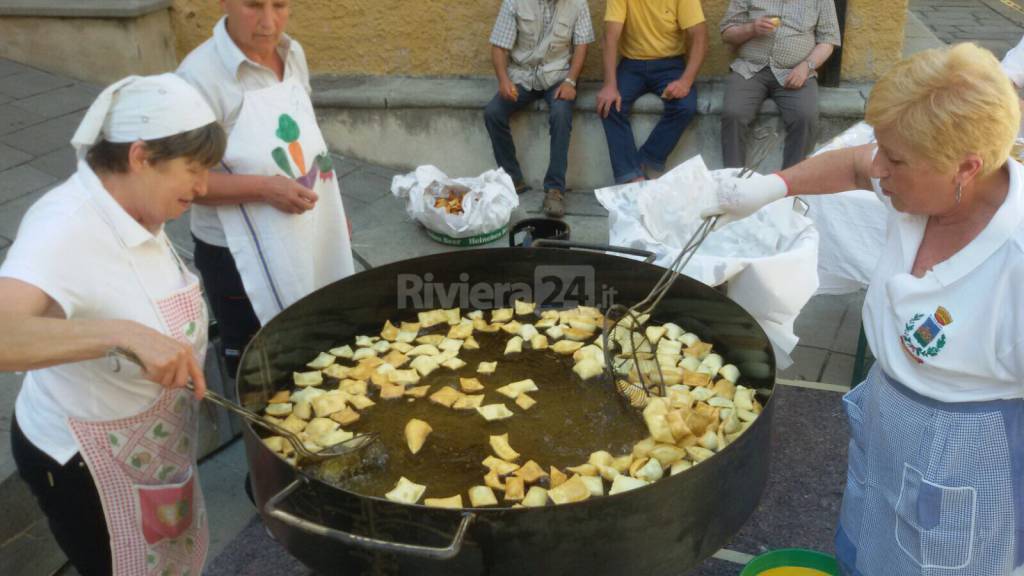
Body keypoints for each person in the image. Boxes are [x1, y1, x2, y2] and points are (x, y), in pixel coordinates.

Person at [704, 44, 1024, 575]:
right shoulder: (926, 183)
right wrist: (770, 188)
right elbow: (855, 167)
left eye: (894, 160)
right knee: (865, 553)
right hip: (889, 423)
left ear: (966, 167)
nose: (879, 167)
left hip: (965, 463)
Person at [0, 74, 225, 576]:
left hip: (150, 448)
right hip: (86, 463)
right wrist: (123, 333)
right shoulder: (64, 224)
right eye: (193, 169)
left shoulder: (137, 207)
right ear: (140, 156)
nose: (205, 186)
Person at [177, 0, 354, 378]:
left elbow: (309, 136)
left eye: (280, 4)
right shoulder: (198, 77)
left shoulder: (293, 53)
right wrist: (263, 188)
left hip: (304, 230)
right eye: (254, 5)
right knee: (257, 365)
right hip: (236, 253)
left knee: (316, 335)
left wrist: (335, 211)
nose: (269, 22)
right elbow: (181, 180)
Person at [484, 0, 595, 218]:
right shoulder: (514, 2)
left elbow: (582, 46)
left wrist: (571, 81)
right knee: (493, 112)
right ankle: (512, 180)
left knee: (561, 113)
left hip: (558, 76)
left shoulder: (578, 3)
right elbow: (499, 46)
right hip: (521, 76)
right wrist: (503, 80)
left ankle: (555, 189)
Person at [719, 0, 841, 169]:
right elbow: (727, 33)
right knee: (733, 113)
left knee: (805, 117)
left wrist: (807, 66)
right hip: (750, 68)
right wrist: (751, 29)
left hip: (796, 71)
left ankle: (791, 185)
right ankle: (732, 182)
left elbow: (828, 41)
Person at [596, 0, 708, 184]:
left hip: (670, 64)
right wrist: (609, 84)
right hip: (631, 64)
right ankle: (631, 179)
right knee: (609, 106)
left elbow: (700, 37)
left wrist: (685, 81)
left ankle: (641, 162)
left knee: (685, 106)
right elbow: (610, 36)